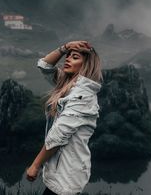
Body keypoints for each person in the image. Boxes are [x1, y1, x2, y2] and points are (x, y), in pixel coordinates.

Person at [26, 40, 103, 195]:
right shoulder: (68, 85)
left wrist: (35, 165)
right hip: (61, 172)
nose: (67, 59)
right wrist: (65, 48)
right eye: (67, 57)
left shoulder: (83, 96)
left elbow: (58, 135)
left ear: (86, 65)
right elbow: (44, 65)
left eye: (75, 57)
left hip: (67, 176)